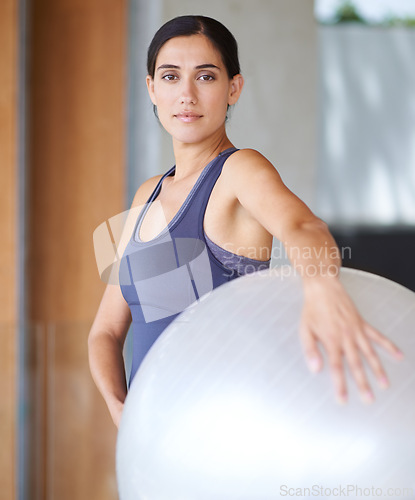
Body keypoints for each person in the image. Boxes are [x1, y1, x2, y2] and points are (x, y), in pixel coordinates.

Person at [88, 15, 402, 428]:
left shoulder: (239, 170)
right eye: (169, 77)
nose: (186, 94)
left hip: (222, 430)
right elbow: (105, 332)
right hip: (151, 446)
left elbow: (304, 228)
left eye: (205, 76)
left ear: (233, 88)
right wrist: (121, 411)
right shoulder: (147, 194)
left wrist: (322, 286)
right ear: (151, 88)